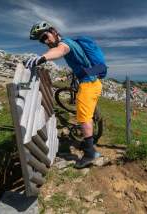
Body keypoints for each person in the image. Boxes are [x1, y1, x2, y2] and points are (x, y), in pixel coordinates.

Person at [24, 21, 105, 169]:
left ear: (53, 31)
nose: (45, 41)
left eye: (45, 36)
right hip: (91, 81)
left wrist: (42, 58)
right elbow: (79, 64)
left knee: (83, 117)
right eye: (42, 40)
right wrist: (66, 77)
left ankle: (90, 154)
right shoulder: (71, 44)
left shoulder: (65, 44)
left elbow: (60, 51)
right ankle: (90, 146)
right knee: (85, 115)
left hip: (89, 84)